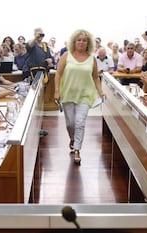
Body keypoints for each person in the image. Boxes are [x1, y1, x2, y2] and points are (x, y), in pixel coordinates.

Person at [54, 29, 105, 165]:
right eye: (79, 40)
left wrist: (100, 92)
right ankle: (73, 138)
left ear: (88, 43)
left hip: (85, 95)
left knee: (80, 123)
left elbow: (95, 77)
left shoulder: (92, 59)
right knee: (70, 123)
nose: (81, 42)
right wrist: (57, 91)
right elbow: (58, 74)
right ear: (74, 42)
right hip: (68, 93)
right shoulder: (66, 55)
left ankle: (77, 149)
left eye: (84, 40)